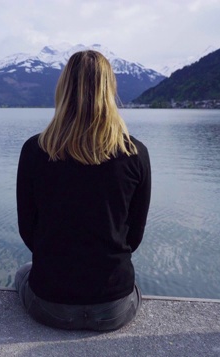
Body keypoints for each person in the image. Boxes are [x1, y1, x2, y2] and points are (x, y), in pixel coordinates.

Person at [14, 50, 151, 331]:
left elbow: (28, 231)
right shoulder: (135, 153)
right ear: (109, 91)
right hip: (113, 309)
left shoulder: (34, 150)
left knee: (22, 273)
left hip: (50, 306)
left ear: (63, 90)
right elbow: (134, 236)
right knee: (132, 282)